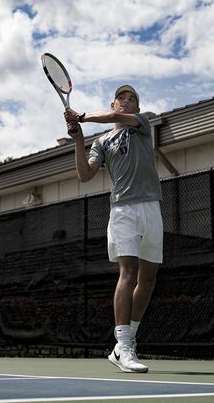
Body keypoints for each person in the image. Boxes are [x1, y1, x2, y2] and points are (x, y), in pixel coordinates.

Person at [64, 84, 163, 373]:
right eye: (123, 97)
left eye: (132, 98)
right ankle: (124, 345)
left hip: (151, 206)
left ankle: (124, 345)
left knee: (149, 279)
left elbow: (106, 118)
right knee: (128, 271)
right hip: (122, 209)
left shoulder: (143, 123)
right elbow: (85, 175)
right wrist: (78, 137)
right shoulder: (103, 142)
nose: (128, 100)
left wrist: (81, 116)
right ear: (113, 102)